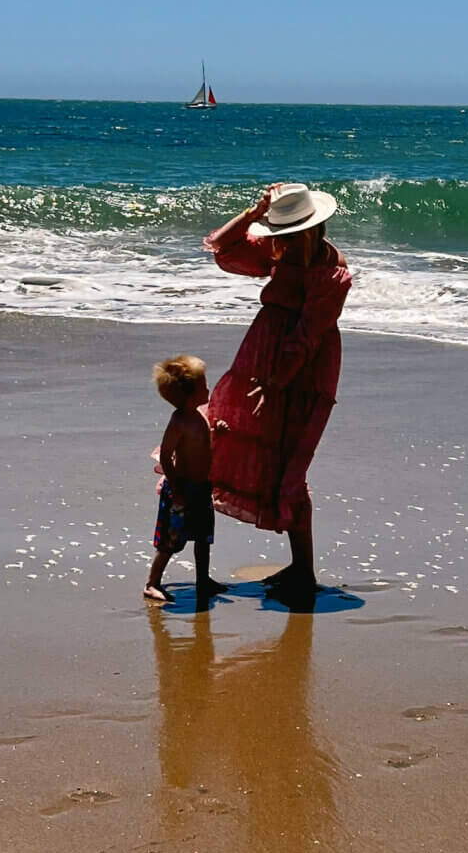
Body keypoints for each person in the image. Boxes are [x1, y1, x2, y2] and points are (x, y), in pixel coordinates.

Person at [204, 183, 353, 606]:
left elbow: (308, 336)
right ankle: (299, 570)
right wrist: (255, 212)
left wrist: (277, 380)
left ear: (308, 232)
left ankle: (303, 571)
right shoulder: (279, 254)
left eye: (286, 234)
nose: (278, 241)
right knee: (249, 448)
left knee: (292, 466)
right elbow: (222, 248)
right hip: (263, 361)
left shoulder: (331, 273)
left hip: (304, 372)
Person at [144, 353, 223, 607]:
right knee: (170, 541)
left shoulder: (200, 415)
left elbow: (202, 441)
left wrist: (216, 430)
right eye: (203, 384)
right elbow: (166, 456)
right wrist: (176, 488)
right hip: (181, 490)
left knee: (203, 538)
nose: (208, 388)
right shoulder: (179, 421)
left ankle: (203, 580)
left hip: (201, 489)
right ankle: (152, 583)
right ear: (189, 394)